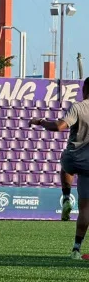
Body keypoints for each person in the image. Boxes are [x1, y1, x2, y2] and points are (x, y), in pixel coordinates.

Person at [30, 77, 89, 260]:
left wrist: (40, 122)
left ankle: (65, 198)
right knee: (86, 209)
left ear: (85, 90)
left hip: (73, 157)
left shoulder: (78, 107)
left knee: (66, 164)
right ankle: (76, 249)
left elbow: (59, 126)